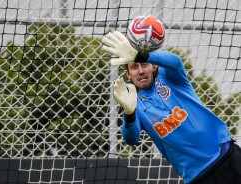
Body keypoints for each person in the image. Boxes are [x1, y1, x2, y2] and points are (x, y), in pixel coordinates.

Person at [101, 31, 241, 184]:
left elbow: (175, 61)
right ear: (128, 74)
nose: (140, 71)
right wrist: (129, 114)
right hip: (199, 176)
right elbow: (131, 139)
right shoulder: (135, 105)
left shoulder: (171, 78)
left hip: (227, 155)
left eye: (144, 65)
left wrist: (142, 55)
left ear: (154, 66)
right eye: (134, 67)